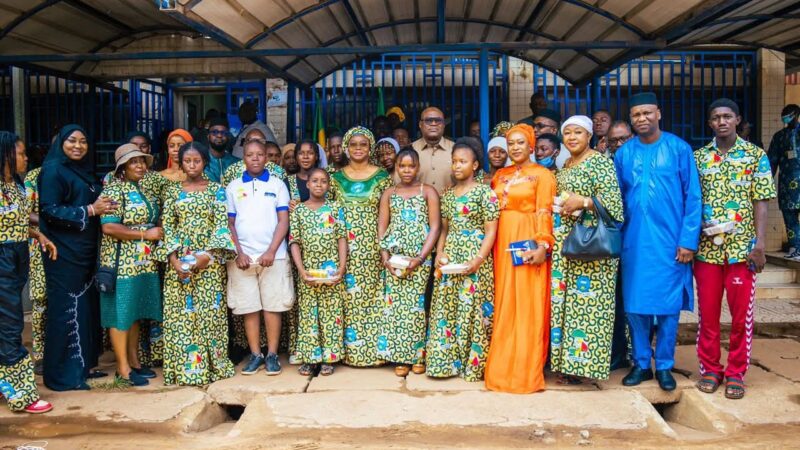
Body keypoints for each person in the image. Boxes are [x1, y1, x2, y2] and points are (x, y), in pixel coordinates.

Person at [614, 92, 701, 391]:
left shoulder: (679, 149)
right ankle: (641, 364)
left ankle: (664, 365)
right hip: (634, 243)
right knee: (635, 308)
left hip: (670, 245)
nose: (642, 119)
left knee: (667, 309)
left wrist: (688, 241)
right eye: (636, 114)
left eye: (647, 113)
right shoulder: (624, 154)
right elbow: (617, 202)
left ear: (659, 113)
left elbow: (693, 197)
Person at [694, 98, 775, 400]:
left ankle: (736, 372)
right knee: (709, 315)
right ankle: (711, 370)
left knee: (741, 317)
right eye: (716, 117)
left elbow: (762, 200)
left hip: (743, 250)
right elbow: (691, 201)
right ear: (710, 123)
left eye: (727, 116)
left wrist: (760, 244)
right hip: (707, 251)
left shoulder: (755, 156)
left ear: (738, 119)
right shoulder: (699, 157)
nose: (722, 121)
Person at [39, 125, 116, 391]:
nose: (78, 146)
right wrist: (91, 209)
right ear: (60, 142)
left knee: (83, 311)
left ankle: (81, 368)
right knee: (64, 312)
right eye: (72, 141)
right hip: (63, 253)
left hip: (84, 253)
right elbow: (50, 211)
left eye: (83, 141)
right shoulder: (52, 171)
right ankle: (62, 376)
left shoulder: (82, 171)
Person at [549, 116, 624, 384]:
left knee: (589, 308)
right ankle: (565, 366)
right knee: (565, 307)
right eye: (566, 133)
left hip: (593, 248)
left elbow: (615, 206)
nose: (571, 137)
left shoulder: (600, 163)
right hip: (565, 247)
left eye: (577, 132)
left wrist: (585, 201)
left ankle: (586, 368)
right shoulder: (565, 165)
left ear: (589, 136)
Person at [484, 124, 556, 394]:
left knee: (527, 303)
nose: (514, 148)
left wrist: (542, 245)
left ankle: (524, 370)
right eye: (510, 143)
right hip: (501, 242)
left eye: (520, 143)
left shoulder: (542, 175)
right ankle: (501, 367)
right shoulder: (499, 176)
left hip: (526, 240)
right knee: (505, 301)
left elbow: (544, 211)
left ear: (531, 146)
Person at [158, 141, 236, 386]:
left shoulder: (216, 190)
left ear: (205, 162)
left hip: (209, 263)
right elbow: (167, 227)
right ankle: (183, 370)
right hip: (180, 265)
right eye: (187, 161)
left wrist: (208, 256)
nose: (192, 165)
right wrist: (174, 261)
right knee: (181, 319)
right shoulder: (172, 191)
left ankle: (213, 366)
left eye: (197, 160)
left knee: (209, 317)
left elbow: (221, 225)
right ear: (180, 163)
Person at [426, 141, 499, 381]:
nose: (457, 166)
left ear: (475, 165)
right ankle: (446, 363)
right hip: (451, 258)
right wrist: (439, 254)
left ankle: (472, 365)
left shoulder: (485, 193)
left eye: (463, 161)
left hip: (475, 258)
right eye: (454, 161)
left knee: (472, 310)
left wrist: (478, 260)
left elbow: (491, 231)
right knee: (448, 308)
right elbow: (444, 230)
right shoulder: (447, 195)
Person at [99, 144, 164, 387]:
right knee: (121, 313)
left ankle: (135, 361)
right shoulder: (114, 190)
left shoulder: (142, 188)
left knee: (134, 313)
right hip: (122, 262)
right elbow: (109, 226)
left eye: (142, 161)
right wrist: (145, 236)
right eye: (133, 162)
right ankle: (122, 369)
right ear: (122, 168)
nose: (140, 166)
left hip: (141, 262)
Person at [226, 140, 292, 376]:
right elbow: (230, 223)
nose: (255, 158)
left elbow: (283, 220)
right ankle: (255, 354)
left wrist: (272, 251)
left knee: (272, 306)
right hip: (243, 258)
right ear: (243, 158)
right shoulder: (233, 186)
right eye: (250, 154)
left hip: (274, 256)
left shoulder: (278, 184)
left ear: (267, 158)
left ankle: (272, 354)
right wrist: (238, 253)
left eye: (259, 154)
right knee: (249, 307)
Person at [0, 131, 55, 413]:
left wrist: (38, 235)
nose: (25, 158)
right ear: (6, 155)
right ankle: (22, 395)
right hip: (3, 261)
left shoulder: (16, 185)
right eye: (21, 154)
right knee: (11, 327)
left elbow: (17, 221)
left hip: (17, 257)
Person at [329, 127, 392, 367]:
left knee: (372, 296)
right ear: (346, 147)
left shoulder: (382, 176)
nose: (358, 148)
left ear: (370, 148)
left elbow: (387, 213)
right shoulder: (334, 178)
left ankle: (373, 353)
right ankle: (347, 352)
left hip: (373, 246)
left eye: (363, 144)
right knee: (346, 297)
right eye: (353, 144)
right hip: (343, 245)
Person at [378, 149, 441, 376]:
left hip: (418, 259)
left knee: (415, 308)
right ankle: (400, 357)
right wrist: (385, 258)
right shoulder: (389, 193)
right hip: (394, 259)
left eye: (411, 166)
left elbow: (435, 227)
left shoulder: (428, 192)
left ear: (418, 168)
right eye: (402, 166)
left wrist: (422, 258)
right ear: (396, 167)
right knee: (395, 308)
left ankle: (418, 355)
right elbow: (382, 227)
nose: (406, 171)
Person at [289, 168, 348, 376]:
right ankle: (310, 357)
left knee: (331, 314)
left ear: (328, 185)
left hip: (331, 271)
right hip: (309, 273)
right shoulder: (299, 211)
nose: (319, 185)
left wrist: (341, 267)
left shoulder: (335, 207)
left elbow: (342, 237)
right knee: (308, 315)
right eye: (315, 181)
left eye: (324, 181)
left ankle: (329, 357)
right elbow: (294, 241)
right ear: (307, 184)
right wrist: (302, 270)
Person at [767, 104, 800, 259]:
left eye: (787, 114)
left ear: (796, 114)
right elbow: (772, 161)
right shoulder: (779, 136)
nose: (785, 117)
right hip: (787, 184)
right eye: (783, 114)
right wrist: (767, 182)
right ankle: (795, 247)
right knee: (789, 215)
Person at [222, 129, 287, 187]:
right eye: (251, 141)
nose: (255, 145)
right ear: (244, 144)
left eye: (260, 142)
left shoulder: (278, 171)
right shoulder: (232, 170)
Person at [412, 107, 455, 193]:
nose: (433, 123)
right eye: (428, 120)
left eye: (438, 120)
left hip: (450, 205)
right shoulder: (410, 150)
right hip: (418, 205)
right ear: (420, 124)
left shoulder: (456, 150)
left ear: (444, 125)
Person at [205, 117, 239, 183]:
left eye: (223, 132)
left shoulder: (237, 163)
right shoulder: (201, 162)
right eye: (214, 132)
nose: (219, 135)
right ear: (208, 136)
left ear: (228, 137)